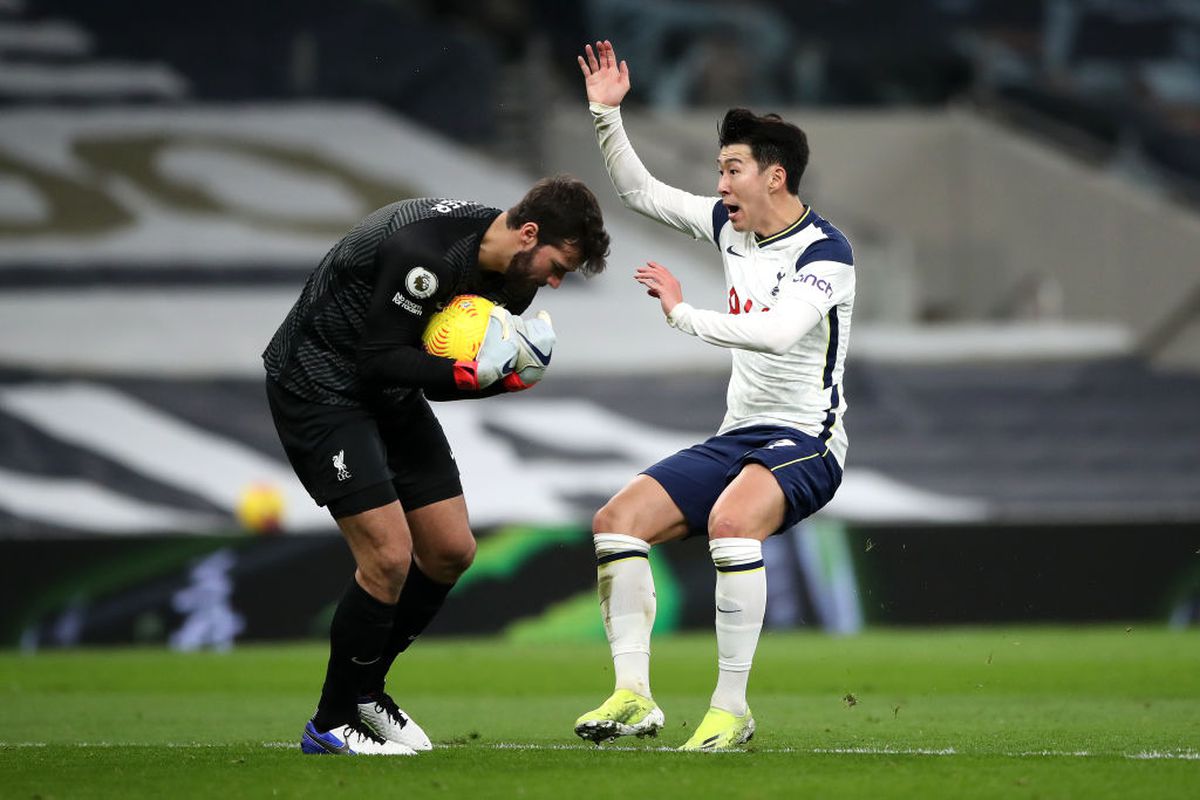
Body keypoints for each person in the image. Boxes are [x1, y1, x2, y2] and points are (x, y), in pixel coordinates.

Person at [263, 176, 610, 755]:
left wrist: (500, 381)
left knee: (451, 550)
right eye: (557, 265)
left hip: (389, 394)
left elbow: (435, 379)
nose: (555, 281)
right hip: (320, 386)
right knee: (388, 557)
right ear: (528, 233)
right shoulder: (424, 254)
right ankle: (330, 721)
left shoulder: (512, 284)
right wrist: (469, 375)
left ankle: (366, 691)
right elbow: (378, 359)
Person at [573, 41, 855, 751]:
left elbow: (780, 331)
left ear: (775, 175)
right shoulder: (728, 227)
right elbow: (639, 194)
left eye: (732, 169)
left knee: (733, 524)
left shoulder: (828, 252)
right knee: (617, 520)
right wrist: (607, 115)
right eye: (720, 170)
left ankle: (732, 707)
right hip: (739, 436)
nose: (721, 183)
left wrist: (682, 313)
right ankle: (633, 696)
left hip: (807, 442)